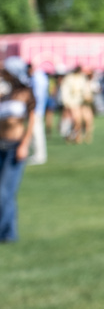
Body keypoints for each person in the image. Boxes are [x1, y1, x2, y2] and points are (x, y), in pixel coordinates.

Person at [1, 56, 36, 242]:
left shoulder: (26, 93)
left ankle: (6, 233)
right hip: (1, 145)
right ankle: (7, 232)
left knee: (5, 191)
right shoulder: (5, 94)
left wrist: (24, 144)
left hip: (15, 147)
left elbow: (32, 121)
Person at [26, 62, 49, 165]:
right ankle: (37, 154)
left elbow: (37, 95)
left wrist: (31, 108)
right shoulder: (40, 76)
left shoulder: (37, 78)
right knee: (35, 132)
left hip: (35, 109)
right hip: (37, 109)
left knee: (36, 132)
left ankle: (39, 156)